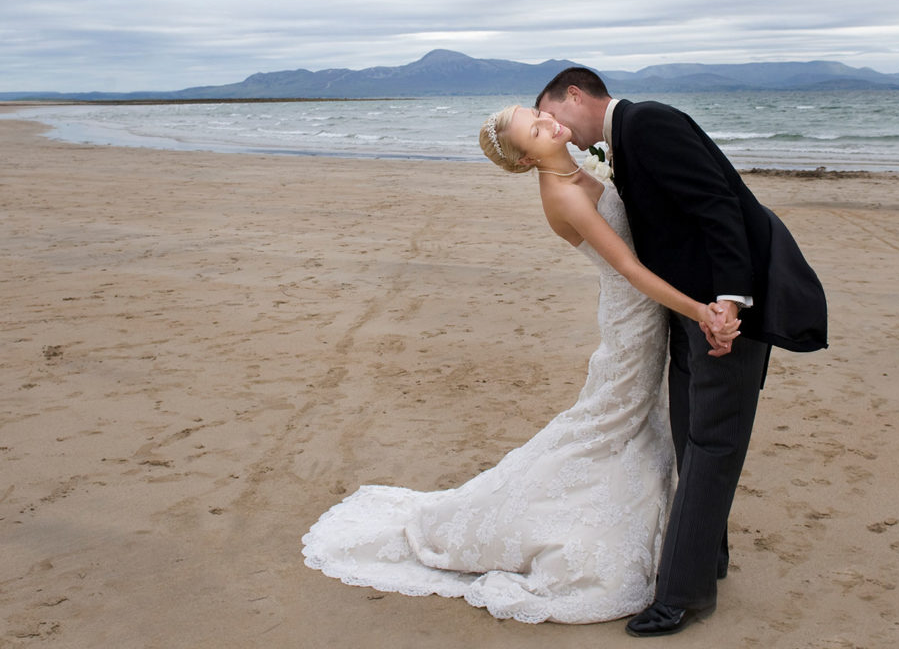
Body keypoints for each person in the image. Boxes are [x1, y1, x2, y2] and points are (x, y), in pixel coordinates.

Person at [300, 103, 741, 625]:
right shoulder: (564, 194)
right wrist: (697, 310)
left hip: (646, 310)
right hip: (632, 318)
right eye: (536, 129)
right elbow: (627, 267)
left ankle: (670, 534)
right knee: (610, 420)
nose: (550, 123)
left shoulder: (585, 168)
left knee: (635, 423)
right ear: (528, 158)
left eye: (539, 114)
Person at [535, 67, 827, 637]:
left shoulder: (648, 122)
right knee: (693, 434)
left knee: (713, 442)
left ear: (575, 94)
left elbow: (717, 205)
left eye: (552, 114)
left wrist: (728, 304)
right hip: (691, 308)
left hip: (727, 308)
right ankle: (706, 559)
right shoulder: (622, 140)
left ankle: (681, 596)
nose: (558, 129)